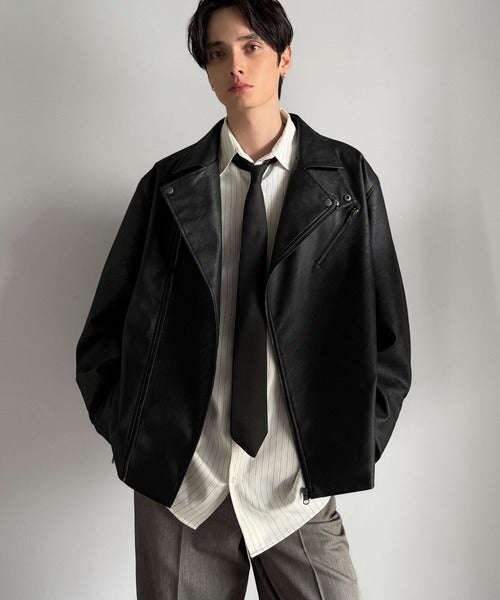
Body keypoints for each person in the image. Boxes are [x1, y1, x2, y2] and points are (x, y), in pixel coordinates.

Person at [75, 0, 411, 598]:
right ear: (206, 69)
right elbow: (105, 335)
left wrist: (345, 447)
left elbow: (389, 341)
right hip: (184, 493)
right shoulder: (168, 188)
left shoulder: (347, 183)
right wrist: (139, 440)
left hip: (295, 491)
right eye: (217, 52)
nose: (235, 65)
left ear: (284, 57)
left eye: (252, 46)